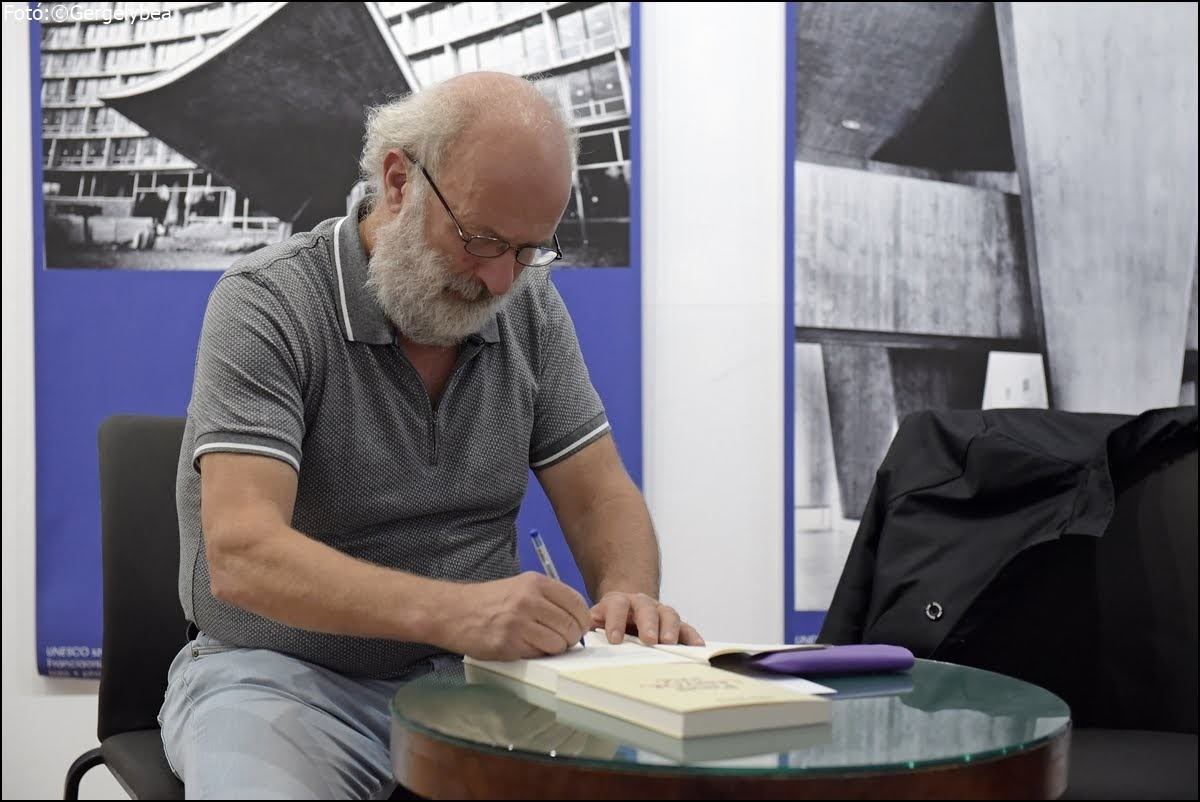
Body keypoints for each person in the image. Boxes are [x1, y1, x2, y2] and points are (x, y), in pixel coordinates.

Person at [159, 71, 703, 799]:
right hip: (280, 681)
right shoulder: (268, 303)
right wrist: (461, 613)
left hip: (483, 684)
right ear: (398, 182)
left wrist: (629, 593)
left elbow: (600, 494)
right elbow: (243, 556)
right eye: (481, 240)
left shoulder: (529, 307)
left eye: (529, 250)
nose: (501, 281)